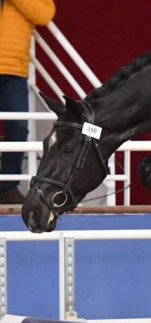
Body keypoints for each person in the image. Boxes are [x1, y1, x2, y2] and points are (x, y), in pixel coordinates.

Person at [0, 0, 55, 204]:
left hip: (14, 71)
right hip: (14, 71)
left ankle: (7, 187)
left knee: (19, 127)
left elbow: (45, 14)